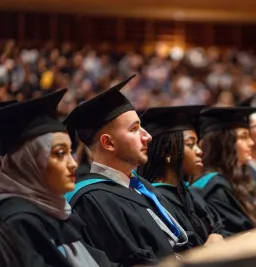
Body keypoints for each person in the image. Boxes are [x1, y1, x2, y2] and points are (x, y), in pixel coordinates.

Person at [63, 75, 189, 266]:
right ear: (108, 142)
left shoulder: (140, 186)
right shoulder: (92, 200)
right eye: (134, 129)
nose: (147, 136)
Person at [0, 90, 114, 267]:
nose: (73, 164)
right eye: (59, 154)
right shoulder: (17, 221)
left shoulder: (55, 210)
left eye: (71, 152)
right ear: (28, 163)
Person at [137, 105, 227, 248]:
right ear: (167, 152)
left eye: (197, 144)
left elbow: (218, 227)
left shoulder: (188, 193)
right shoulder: (157, 202)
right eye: (190, 145)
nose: (199, 151)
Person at [191, 106, 256, 234]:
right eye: (244, 137)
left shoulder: (244, 179)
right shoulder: (214, 189)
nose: (251, 143)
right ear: (224, 143)